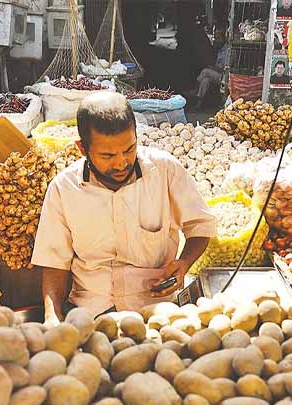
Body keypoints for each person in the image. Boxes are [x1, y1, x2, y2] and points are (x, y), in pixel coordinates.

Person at [31, 92, 217, 324]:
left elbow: (199, 225)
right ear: (82, 148)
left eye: (129, 149)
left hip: (157, 308)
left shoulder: (165, 170)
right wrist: (52, 316)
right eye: (107, 155)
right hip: (91, 310)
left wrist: (184, 263)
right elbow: (54, 263)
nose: (121, 163)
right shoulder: (63, 189)